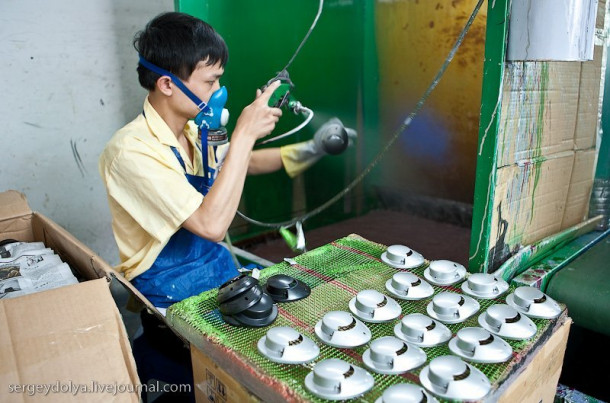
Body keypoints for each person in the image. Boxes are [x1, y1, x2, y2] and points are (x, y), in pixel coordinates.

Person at [98, 11, 353, 400]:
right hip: (169, 294)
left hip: (216, 269)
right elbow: (211, 224)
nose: (220, 90)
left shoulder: (195, 130)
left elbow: (239, 162)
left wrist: (311, 148)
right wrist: (246, 133)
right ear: (167, 84)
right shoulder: (130, 151)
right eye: (211, 81)